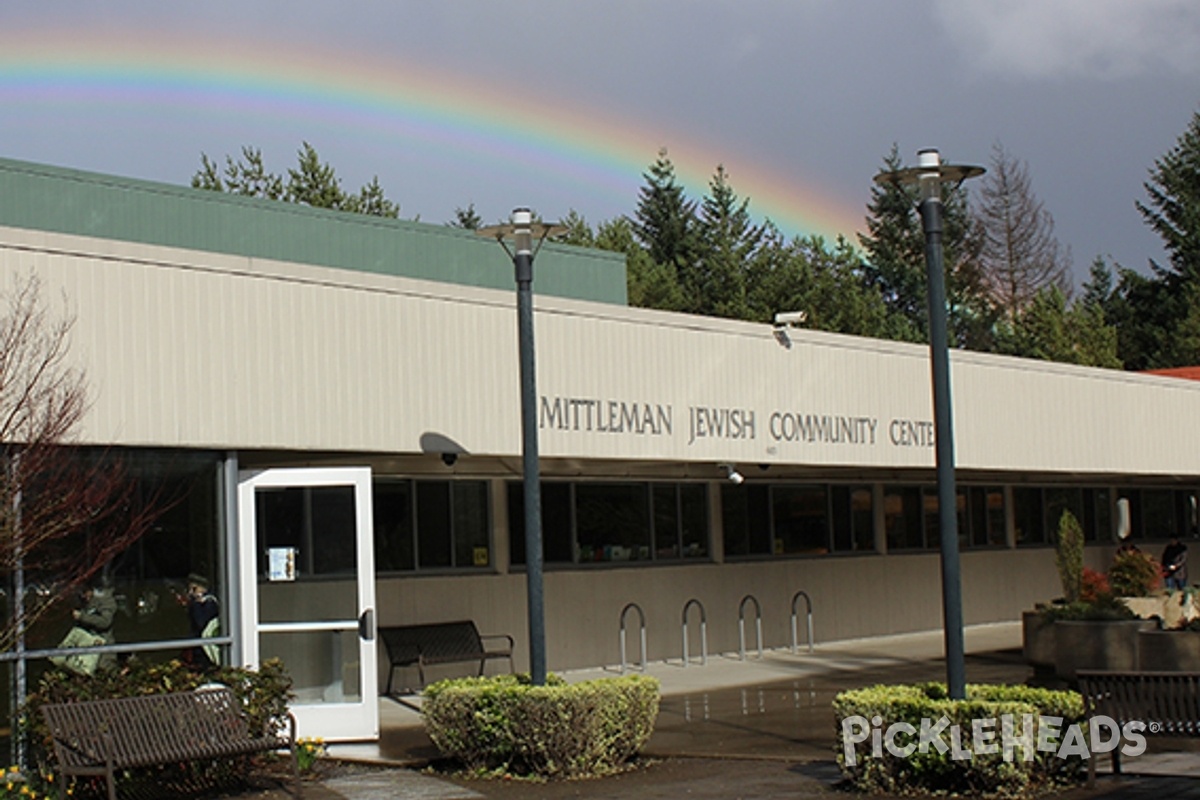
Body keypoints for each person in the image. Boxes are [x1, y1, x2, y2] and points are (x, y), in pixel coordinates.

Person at [50, 583, 117, 675]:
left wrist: (82, 616)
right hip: (85, 650)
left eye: (85, 592)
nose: (84, 596)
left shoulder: (105, 601)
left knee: (104, 675)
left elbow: (105, 622)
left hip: (102, 650)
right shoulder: (82, 602)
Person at [185, 573, 220, 669]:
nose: (191, 593)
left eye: (194, 589)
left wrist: (196, 604)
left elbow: (201, 623)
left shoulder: (209, 603)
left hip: (205, 648)